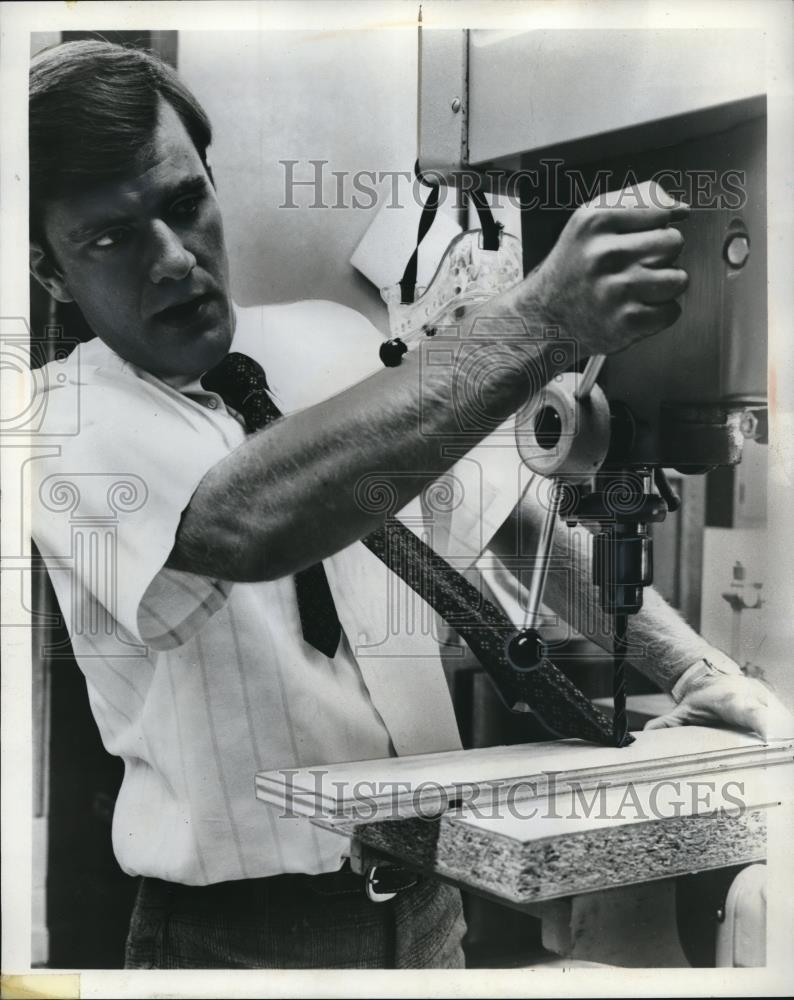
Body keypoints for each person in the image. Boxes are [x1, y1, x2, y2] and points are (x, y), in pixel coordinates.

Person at [28, 40, 789, 970]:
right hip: (239, 944)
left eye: (186, 204)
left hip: (431, 920)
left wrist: (697, 672)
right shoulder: (53, 420)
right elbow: (244, 523)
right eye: (110, 238)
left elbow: (508, 520)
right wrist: (537, 320)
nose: (174, 259)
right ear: (51, 272)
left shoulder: (335, 343)